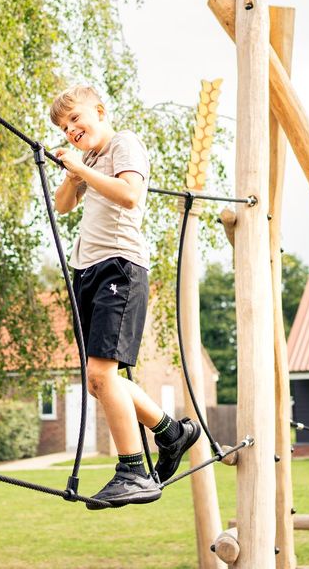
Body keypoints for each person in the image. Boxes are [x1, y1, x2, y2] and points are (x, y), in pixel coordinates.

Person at [51, 85, 201, 509]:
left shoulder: (123, 144)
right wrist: (72, 171)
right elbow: (63, 206)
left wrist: (84, 170)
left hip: (121, 266)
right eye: (65, 127)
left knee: (100, 376)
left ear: (99, 111)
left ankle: (133, 470)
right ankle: (171, 433)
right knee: (103, 383)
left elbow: (131, 195)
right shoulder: (88, 161)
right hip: (89, 272)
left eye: (76, 119)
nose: (71, 129)